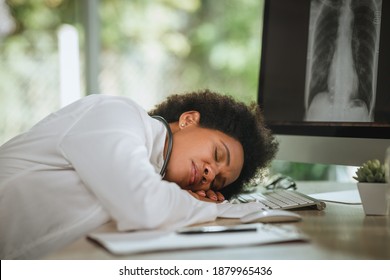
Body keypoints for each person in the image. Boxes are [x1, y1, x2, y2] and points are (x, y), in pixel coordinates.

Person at [0, 89, 278, 259]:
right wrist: (207, 208)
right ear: (189, 120)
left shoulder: (154, 172)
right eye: (218, 155)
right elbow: (141, 207)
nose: (209, 173)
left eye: (217, 181)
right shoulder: (117, 113)